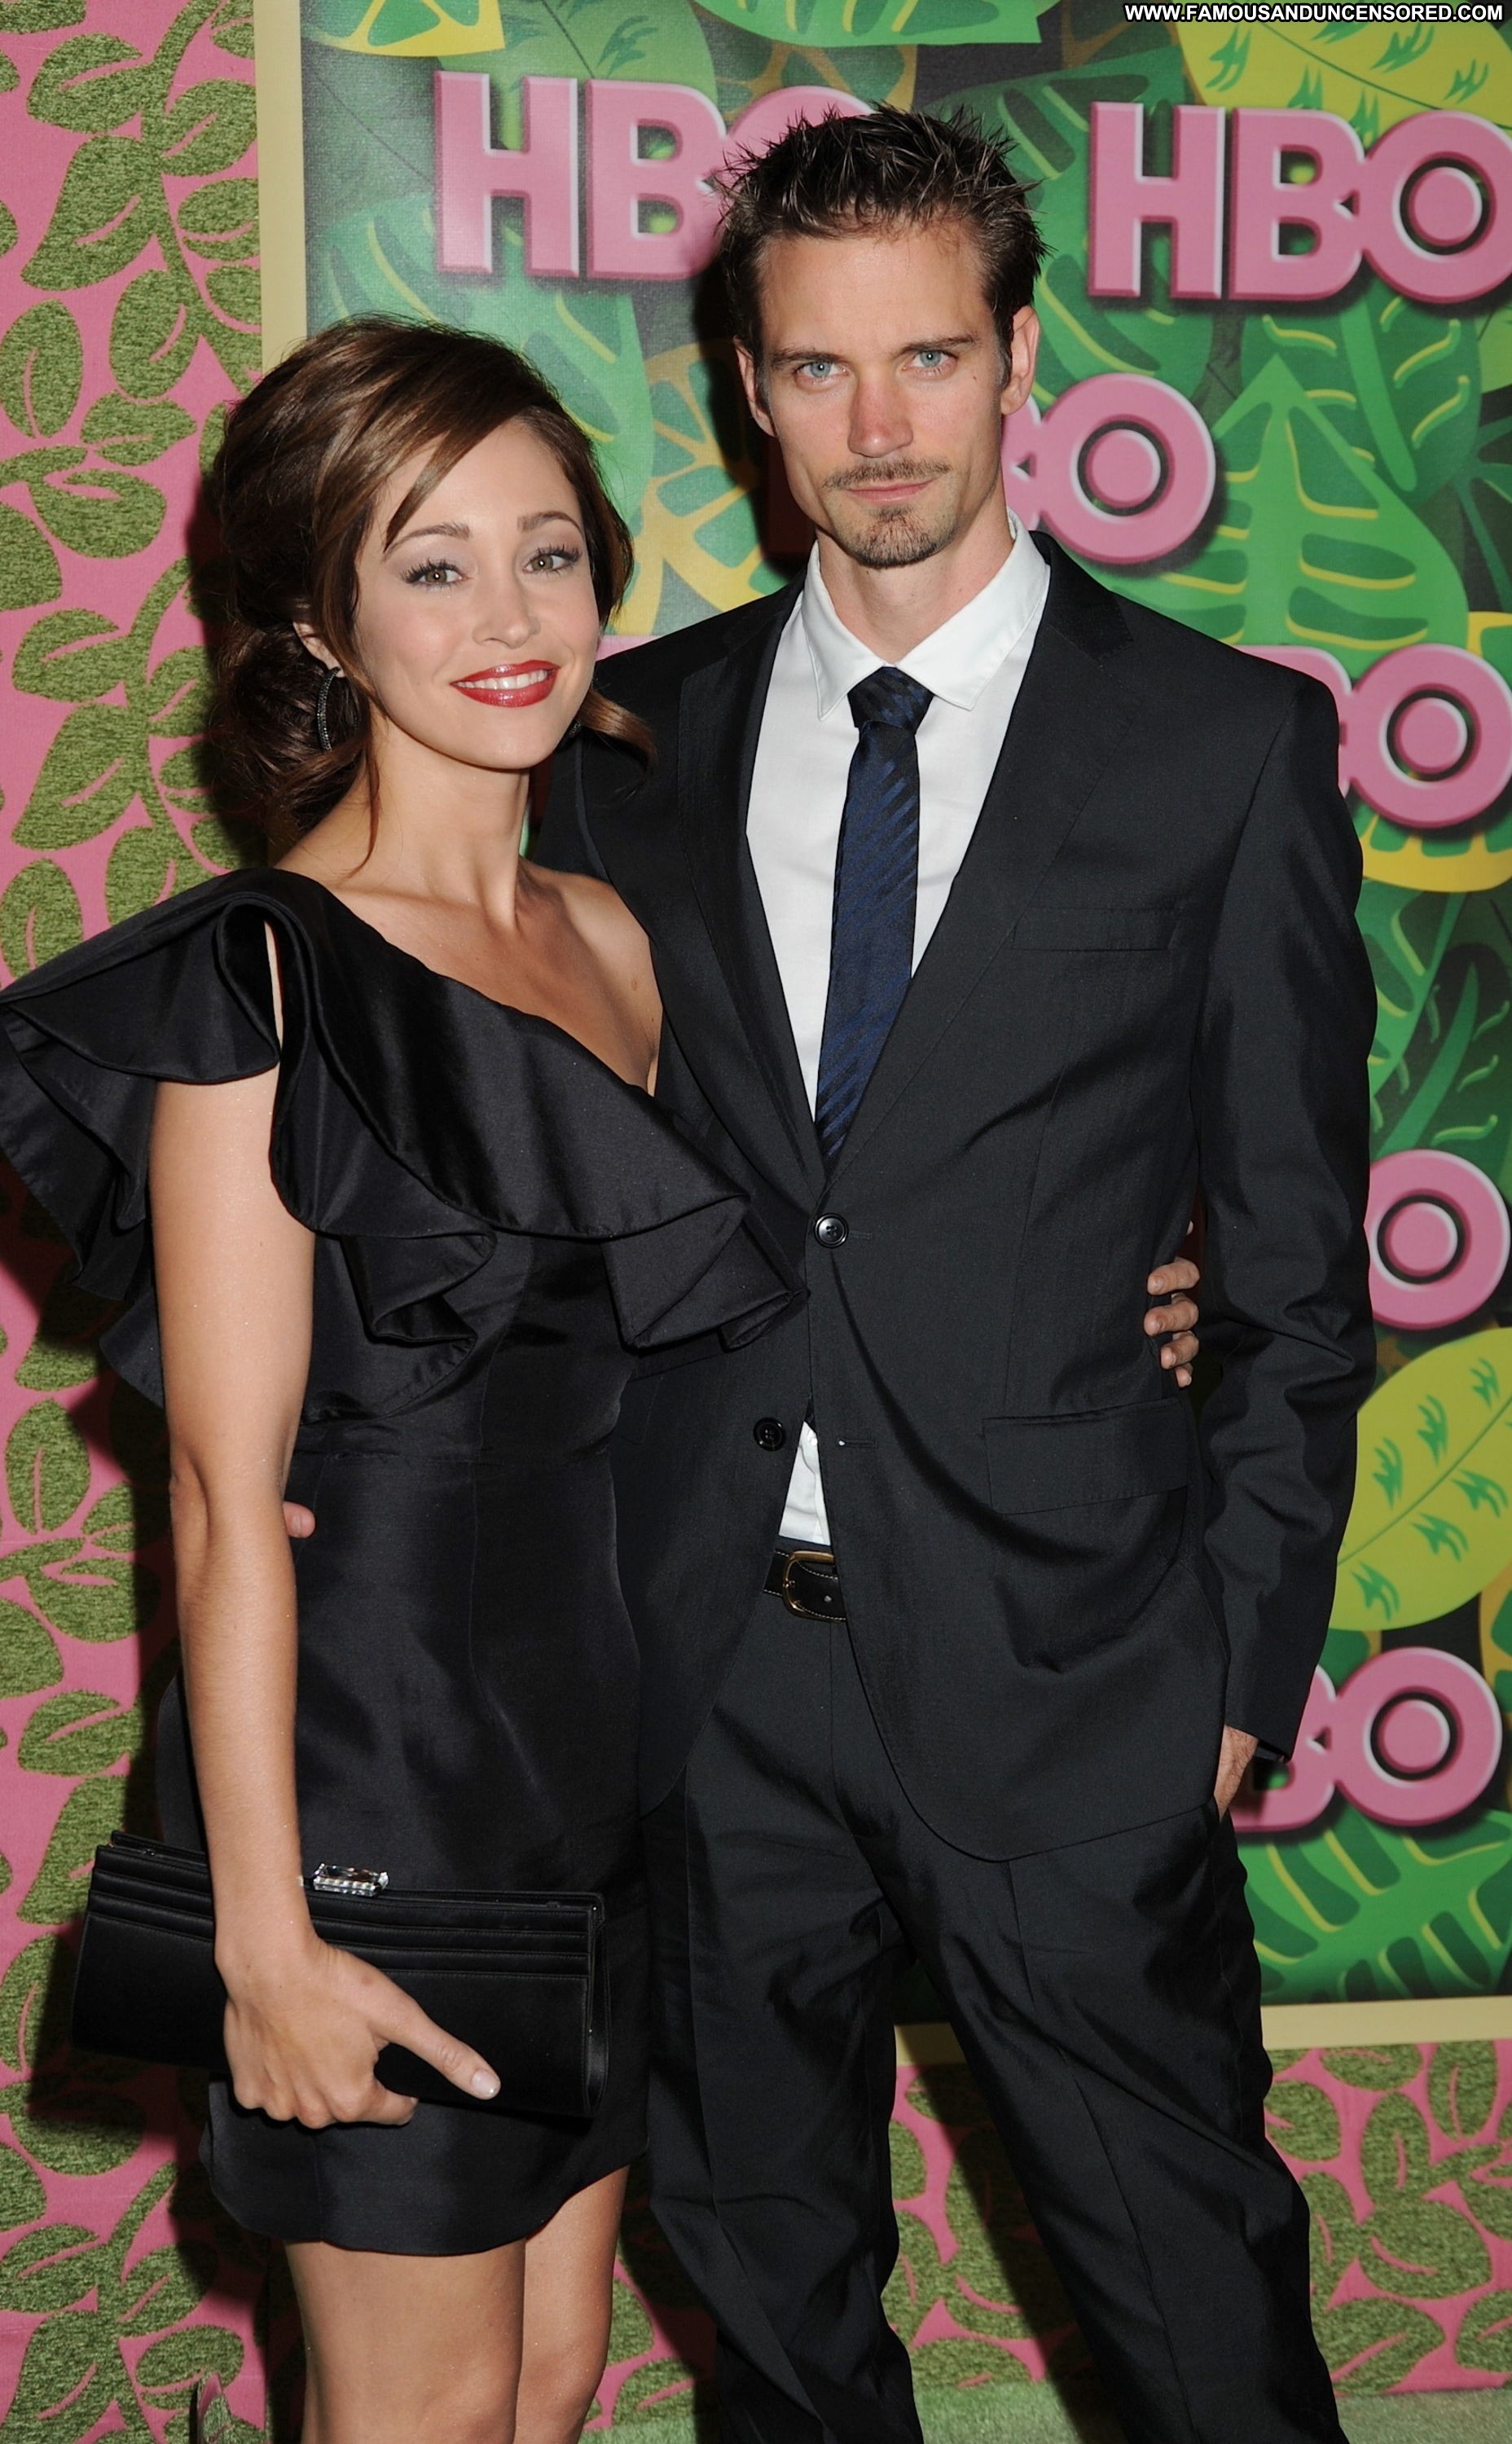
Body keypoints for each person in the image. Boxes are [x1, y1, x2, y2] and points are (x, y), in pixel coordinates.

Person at [0, 315, 1198, 2444]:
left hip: (602, 1770)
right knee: (431, 2411)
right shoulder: (265, 975)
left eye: (546, 553)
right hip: (374, 1787)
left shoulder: (623, 933)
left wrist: (1126, 1292)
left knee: (551, 2381)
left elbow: (834, 1237)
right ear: (319, 622)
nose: (508, 616)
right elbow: (220, 1501)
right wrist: (266, 1942)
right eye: (431, 563)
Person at [535, 108, 1374, 2444]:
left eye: (927, 356)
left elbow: (1300, 1271)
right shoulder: (623, 743)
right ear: (749, 386)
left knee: (1202, 2325)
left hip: (1079, 1670)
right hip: (710, 1677)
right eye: (819, 368)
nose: (880, 425)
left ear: (1020, 358)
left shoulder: (1222, 746)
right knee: (776, 2329)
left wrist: (1242, 1658)